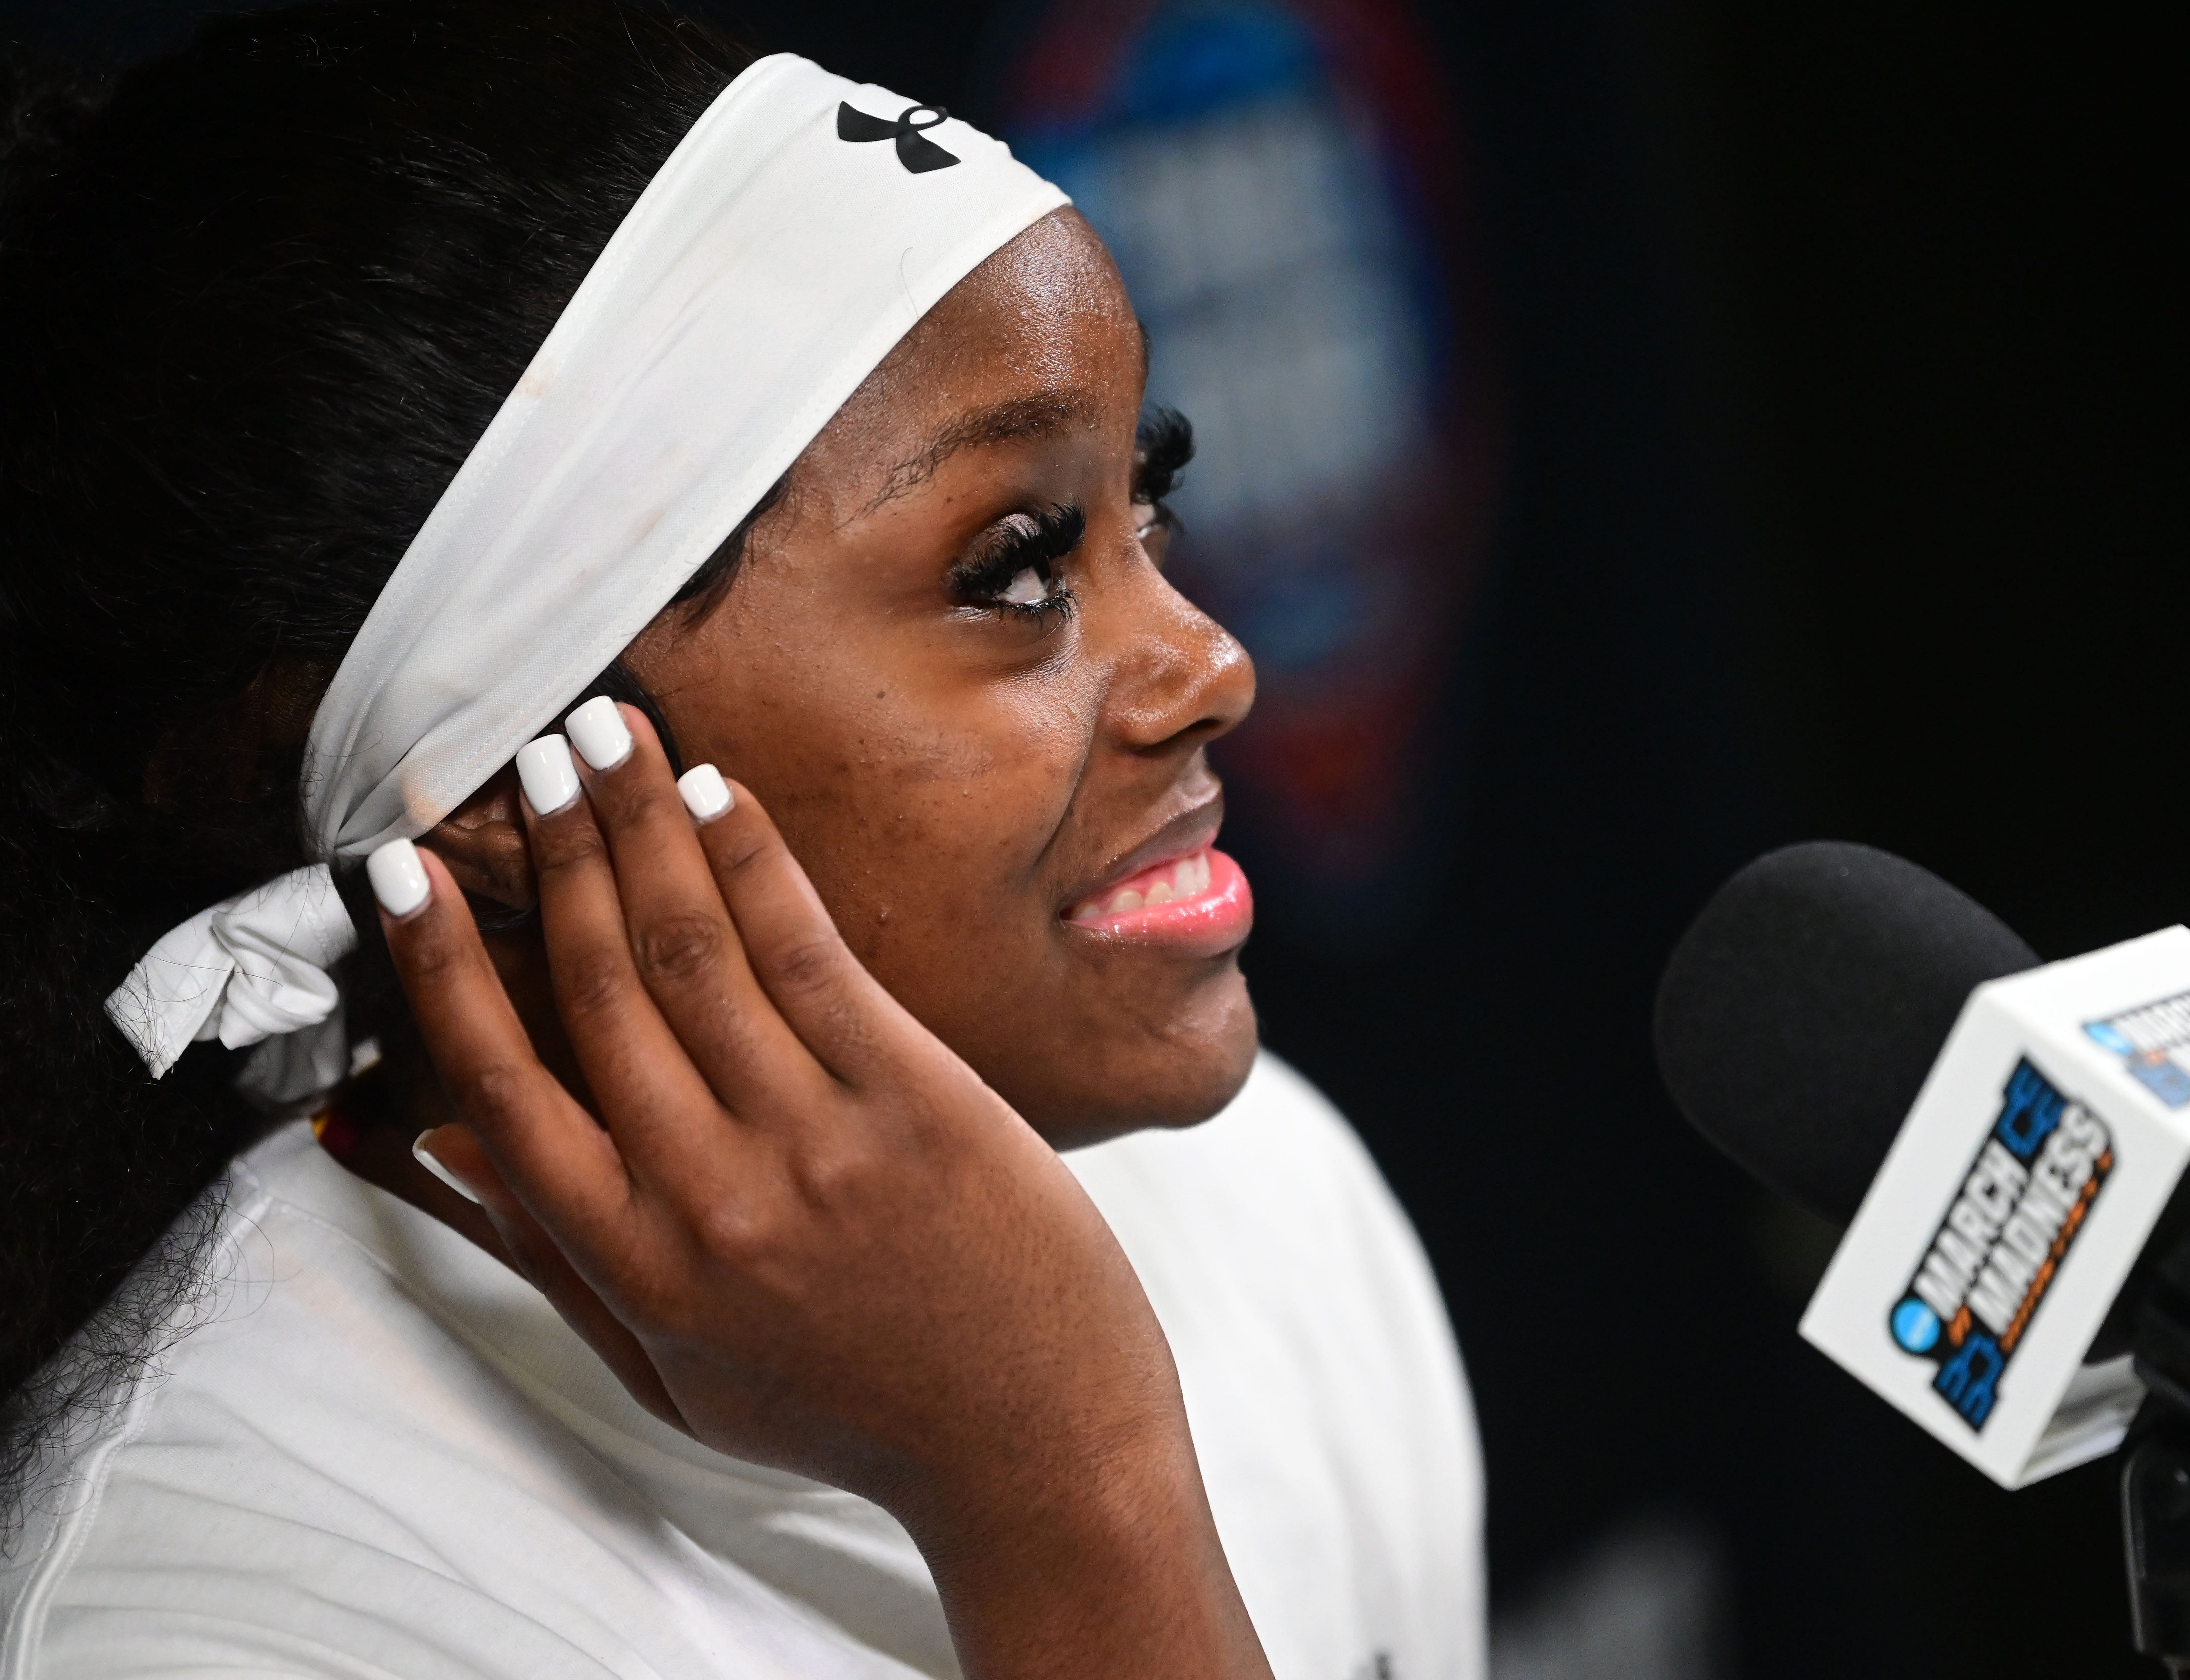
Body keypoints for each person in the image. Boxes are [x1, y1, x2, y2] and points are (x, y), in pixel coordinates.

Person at [0, 4, 1482, 1676]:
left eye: (1153, 510)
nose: (1214, 665)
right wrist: (1062, 1487)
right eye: (1016, 567)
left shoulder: (1262, 1184)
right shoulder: (214, 1615)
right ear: (506, 791)